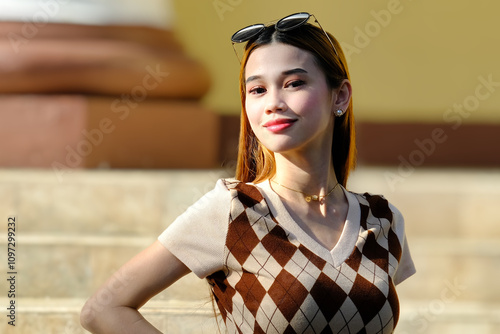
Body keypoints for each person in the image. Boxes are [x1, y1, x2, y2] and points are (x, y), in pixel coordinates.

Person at [81, 12, 416, 334]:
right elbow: (104, 309)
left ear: (339, 95)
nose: (273, 102)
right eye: (257, 90)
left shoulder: (383, 221)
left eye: (294, 83)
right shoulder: (233, 210)